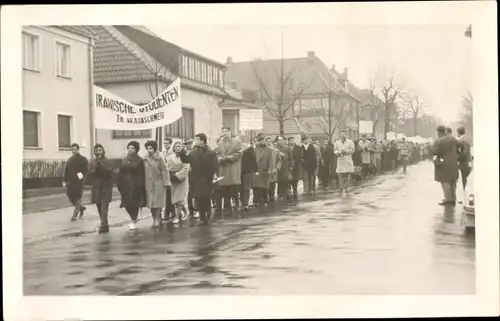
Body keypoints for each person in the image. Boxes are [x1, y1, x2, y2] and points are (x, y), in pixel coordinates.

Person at [189, 133, 219, 225]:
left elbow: (215, 166)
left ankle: (208, 214)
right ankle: (202, 217)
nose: (195, 141)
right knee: (198, 198)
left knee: (205, 198)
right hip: (195, 178)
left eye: (197, 139)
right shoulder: (192, 153)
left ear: (202, 141)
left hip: (206, 178)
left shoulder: (210, 153)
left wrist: (215, 175)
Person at [117, 141, 146, 230]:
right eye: (129, 148)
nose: (130, 150)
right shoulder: (124, 159)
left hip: (135, 184)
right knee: (126, 204)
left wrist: (140, 184)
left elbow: (142, 173)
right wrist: (119, 182)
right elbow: (121, 171)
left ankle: (133, 220)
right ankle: (133, 218)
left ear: (136, 149)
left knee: (134, 204)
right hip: (125, 183)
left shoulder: (140, 160)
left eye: (132, 148)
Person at [215, 127, 242, 218]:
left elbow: (239, 153)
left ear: (230, 132)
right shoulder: (220, 143)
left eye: (226, 131)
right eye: (223, 131)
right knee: (224, 189)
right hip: (223, 168)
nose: (224, 133)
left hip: (232, 168)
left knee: (233, 189)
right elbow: (217, 153)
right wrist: (219, 159)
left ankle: (237, 204)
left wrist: (227, 158)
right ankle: (227, 207)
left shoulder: (236, 142)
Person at [87, 144, 114, 234]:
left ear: (103, 151)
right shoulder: (92, 162)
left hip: (105, 187)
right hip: (96, 187)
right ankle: (105, 224)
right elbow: (89, 174)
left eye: (99, 150)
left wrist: (100, 166)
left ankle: (102, 225)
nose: (98, 152)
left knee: (104, 207)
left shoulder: (108, 161)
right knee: (99, 206)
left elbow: (109, 173)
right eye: (96, 150)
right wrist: (94, 170)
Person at [144, 140, 170, 227]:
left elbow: (164, 171)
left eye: (151, 148)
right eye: (147, 148)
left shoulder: (160, 158)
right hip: (148, 184)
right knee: (151, 203)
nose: (149, 150)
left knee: (158, 202)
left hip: (158, 183)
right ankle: (155, 218)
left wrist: (166, 183)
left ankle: (157, 219)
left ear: (154, 149)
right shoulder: (144, 159)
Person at [431, 125, 459, 206]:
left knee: (444, 181)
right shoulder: (453, 139)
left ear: (439, 132)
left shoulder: (439, 141)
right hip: (453, 163)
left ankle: (448, 199)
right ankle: (453, 198)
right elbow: (460, 146)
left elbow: (434, 151)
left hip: (443, 163)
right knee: (452, 181)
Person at [166, 141, 190, 224]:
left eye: (179, 146)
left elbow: (186, 168)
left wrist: (177, 175)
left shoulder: (185, 157)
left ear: (182, 147)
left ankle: (177, 217)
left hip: (181, 180)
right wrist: (169, 175)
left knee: (179, 199)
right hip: (172, 180)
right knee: (175, 199)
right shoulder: (170, 157)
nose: (177, 148)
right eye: (176, 146)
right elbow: (168, 167)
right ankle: (186, 211)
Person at [63, 143, 88, 221]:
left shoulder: (83, 159)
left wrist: (80, 176)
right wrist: (64, 180)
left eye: (75, 149)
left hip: (78, 182)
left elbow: (85, 170)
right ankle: (81, 208)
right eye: (72, 149)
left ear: (78, 149)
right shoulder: (70, 159)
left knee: (77, 198)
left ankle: (74, 215)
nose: (73, 151)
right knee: (70, 197)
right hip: (70, 182)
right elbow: (66, 171)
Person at [252, 134, 273, 207]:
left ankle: (265, 200)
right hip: (256, 170)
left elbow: (271, 160)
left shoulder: (269, 150)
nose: (261, 142)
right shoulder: (255, 150)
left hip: (265, 170)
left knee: (265, 186)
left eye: (263, 140)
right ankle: (256, 201)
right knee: (255, 186)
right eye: (260, 141)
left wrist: (270, 169)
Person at [239, 134, 257, 212]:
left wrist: (255, 170)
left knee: (246, 188)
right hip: (239, 171)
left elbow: (253, 160)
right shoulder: (236, 149)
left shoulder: (249, 148)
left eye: (240, 140)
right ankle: (242, 202)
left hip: (248, 171)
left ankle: (245, 203)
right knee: (240, 188)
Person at [162, 138, 175, 221]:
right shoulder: (162, 153)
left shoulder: (173, 153)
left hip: (171, 175)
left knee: (171, 195)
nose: (166, 145)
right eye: (164, 143)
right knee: (166, 195)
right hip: (164, 176)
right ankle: (167, 212)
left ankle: (172, 212)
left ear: (170, 144)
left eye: (167, 143)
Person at [276, 136, 292, 200]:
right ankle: (280, 194)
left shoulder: (287, 147)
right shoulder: (274, 147)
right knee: (279, 181)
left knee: (286, 180)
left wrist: (291, 165)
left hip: (285, 166)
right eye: (279, 140)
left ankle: (286, 193)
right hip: (277, 166)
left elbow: (290, 157)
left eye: (281, 140)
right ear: (277, 141)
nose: (280, 141)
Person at [266, 136, 280, 202]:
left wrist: (277, 168)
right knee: (266, 184)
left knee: (273, 184)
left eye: (270, 141)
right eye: (267, 141)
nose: (268, 143)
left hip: (273, 169)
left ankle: (272, 195)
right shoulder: (263, 150)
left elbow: (279, 160)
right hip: (265, 170)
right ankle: (266, 196)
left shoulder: (275, 150)